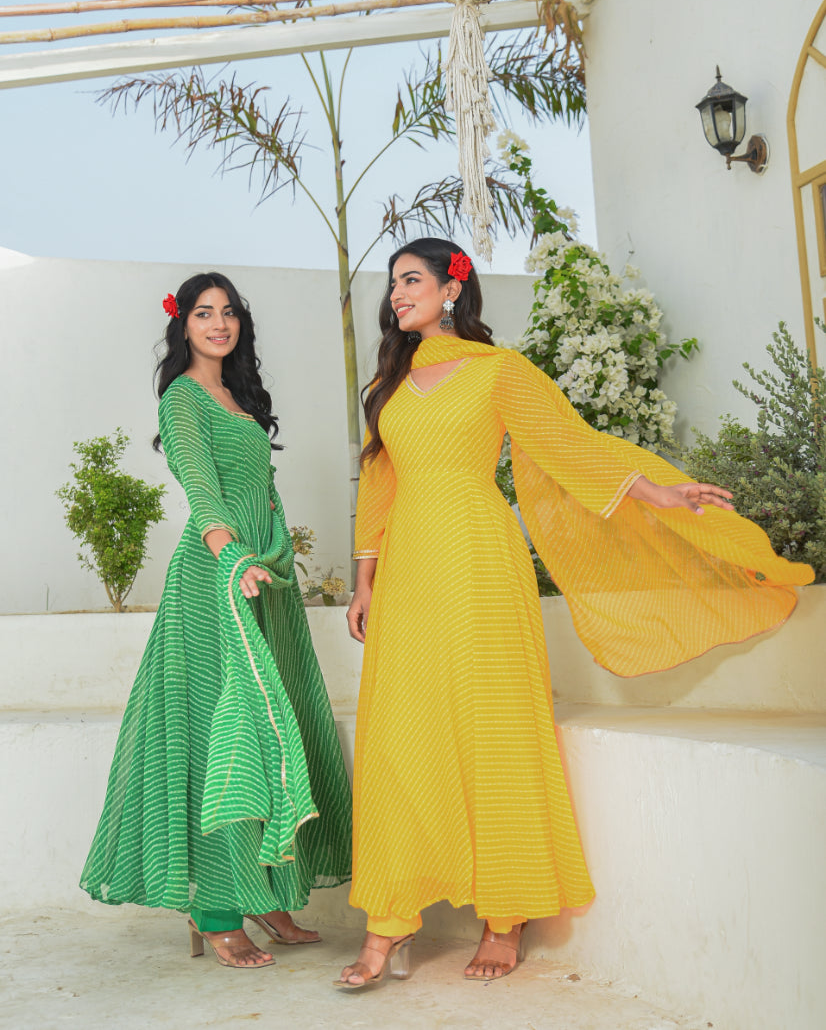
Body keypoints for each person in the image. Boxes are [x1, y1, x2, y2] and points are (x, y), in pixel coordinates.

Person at [336, 237, 813, 989]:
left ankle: (506, 914)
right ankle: (387, 921)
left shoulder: (502, 371)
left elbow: (570, 449)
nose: (397, 294)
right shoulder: (385, 384)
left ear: (452, 288)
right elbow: (377, 488)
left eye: (412, 280)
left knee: (494, 721)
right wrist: (363, 581)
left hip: (482, 561)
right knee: (402, 729)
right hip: (408, 571)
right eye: (393, 284)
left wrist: (660, 492)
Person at [82, 272, 352, 969]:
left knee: (266, 729)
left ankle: (265, 894)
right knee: (222, 736)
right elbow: (201, 487)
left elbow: (257, 488)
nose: (219, 323)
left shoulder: (237, 396)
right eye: (204, 313)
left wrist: (268, 562)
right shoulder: (182, 397)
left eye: (228, 312)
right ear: (183, 326)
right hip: (218, 578)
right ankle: (217, 906)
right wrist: (231, 557)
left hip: (263, 577)